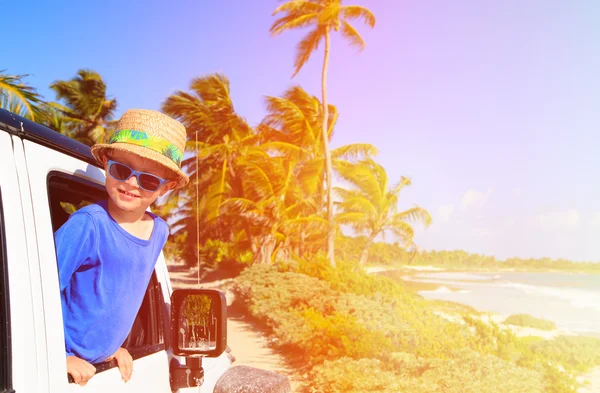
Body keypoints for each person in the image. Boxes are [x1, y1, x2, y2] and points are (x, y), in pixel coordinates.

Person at [54, 109, 189, 386]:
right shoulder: (88, 225)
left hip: (103, 364)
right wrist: (62, 355)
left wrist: (111, 348)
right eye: (121, 169)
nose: (131, 183)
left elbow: (121, 295)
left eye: (149, 179)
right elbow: (38, 294)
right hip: (63, 361)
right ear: (106, 163)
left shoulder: (159, 231)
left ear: (167, 187)